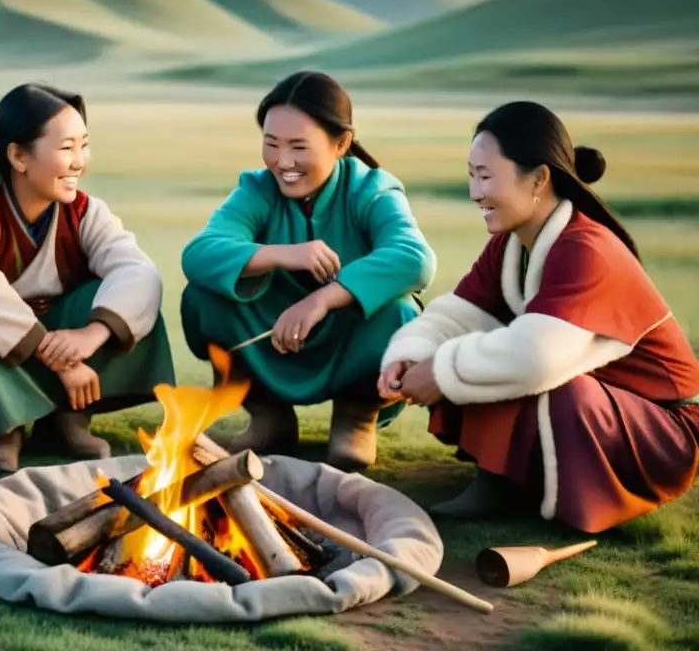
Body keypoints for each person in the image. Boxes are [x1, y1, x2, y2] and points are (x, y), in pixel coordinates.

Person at [379, 101, 699, 534]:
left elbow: (538, 358)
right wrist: (410, 355)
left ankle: (566, 495)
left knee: (536, 373)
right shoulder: (511, 244)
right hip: (608, 404)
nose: (475, 192)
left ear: (539, 178)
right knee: (480, 347)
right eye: (471, 175)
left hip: (661, 430)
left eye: (487, 177)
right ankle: (502, 480)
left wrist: (441, 369)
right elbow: (457, 315)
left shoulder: (587, 249)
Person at [180, 71, 436, 471]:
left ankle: (357, 417)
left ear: (341, 144)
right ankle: (268, 416)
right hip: (273, 331)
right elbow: (199, 254)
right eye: (271, 144)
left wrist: (322, 299)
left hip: (351, 334)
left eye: (299, 146)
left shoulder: (372, 189)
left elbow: (415, 258)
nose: (283, 162)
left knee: (400, 312)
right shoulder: (256, 190)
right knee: (202, 298)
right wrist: (285, 254)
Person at [0, 83, 175, 473]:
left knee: (126, 303)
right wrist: (61, 363)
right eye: (66, 148)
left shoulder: (86, 210)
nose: (79, 162)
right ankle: (4, 427)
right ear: (19, 156)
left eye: (83, 145)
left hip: (60, 338)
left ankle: (67, 419)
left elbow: (137, 271)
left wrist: (91, 336)